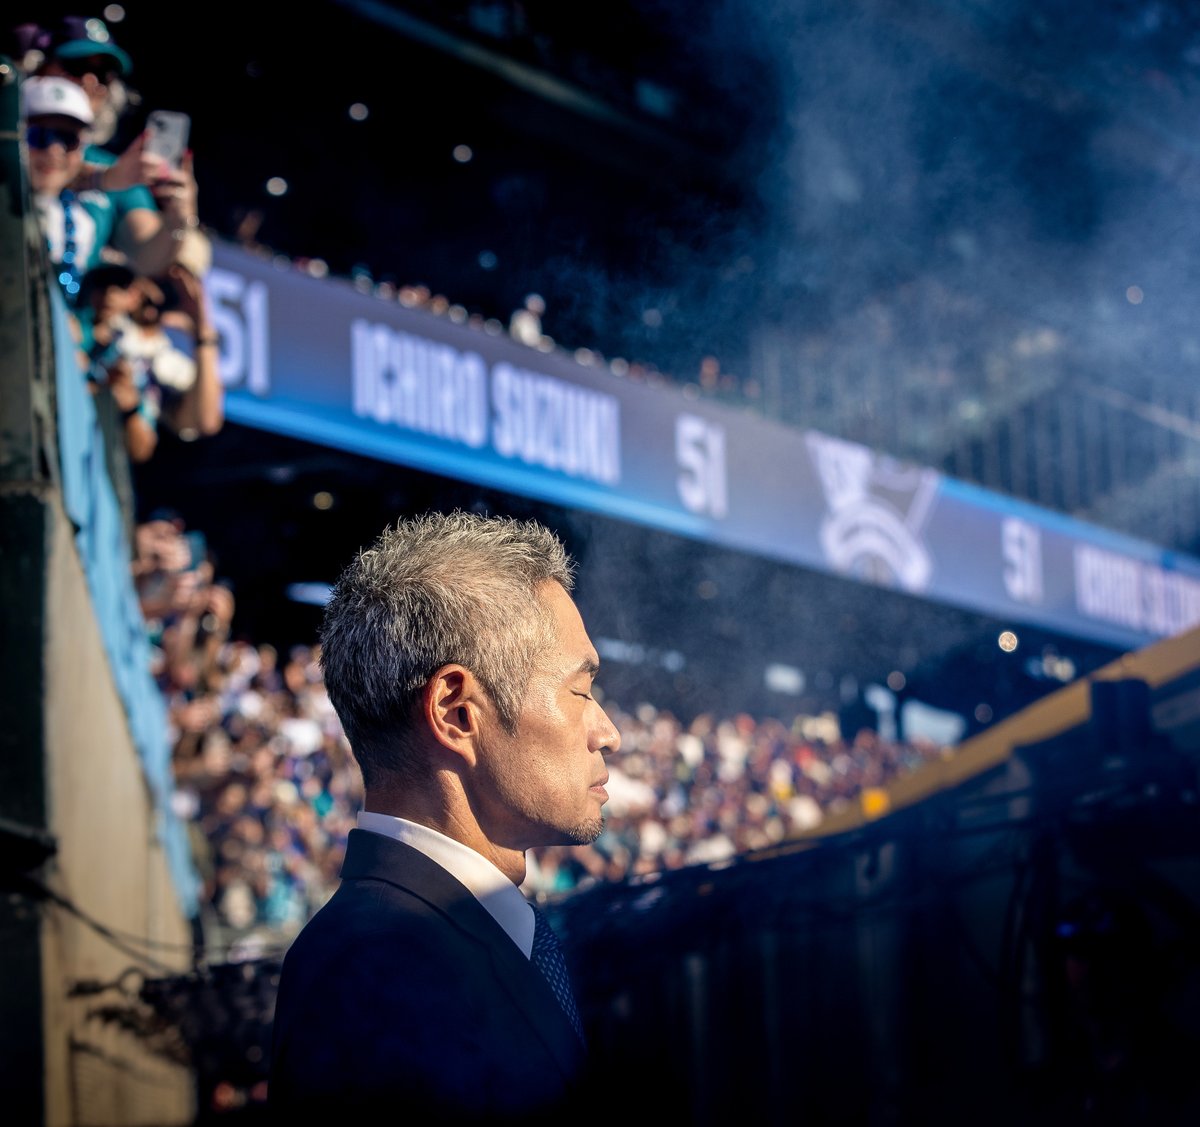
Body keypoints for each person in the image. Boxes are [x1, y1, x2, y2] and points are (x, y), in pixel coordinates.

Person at [268, 510, 621, 1123]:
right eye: (580, 690)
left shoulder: (408, 944)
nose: (608, 732)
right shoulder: (375, 971)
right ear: (457, 713)